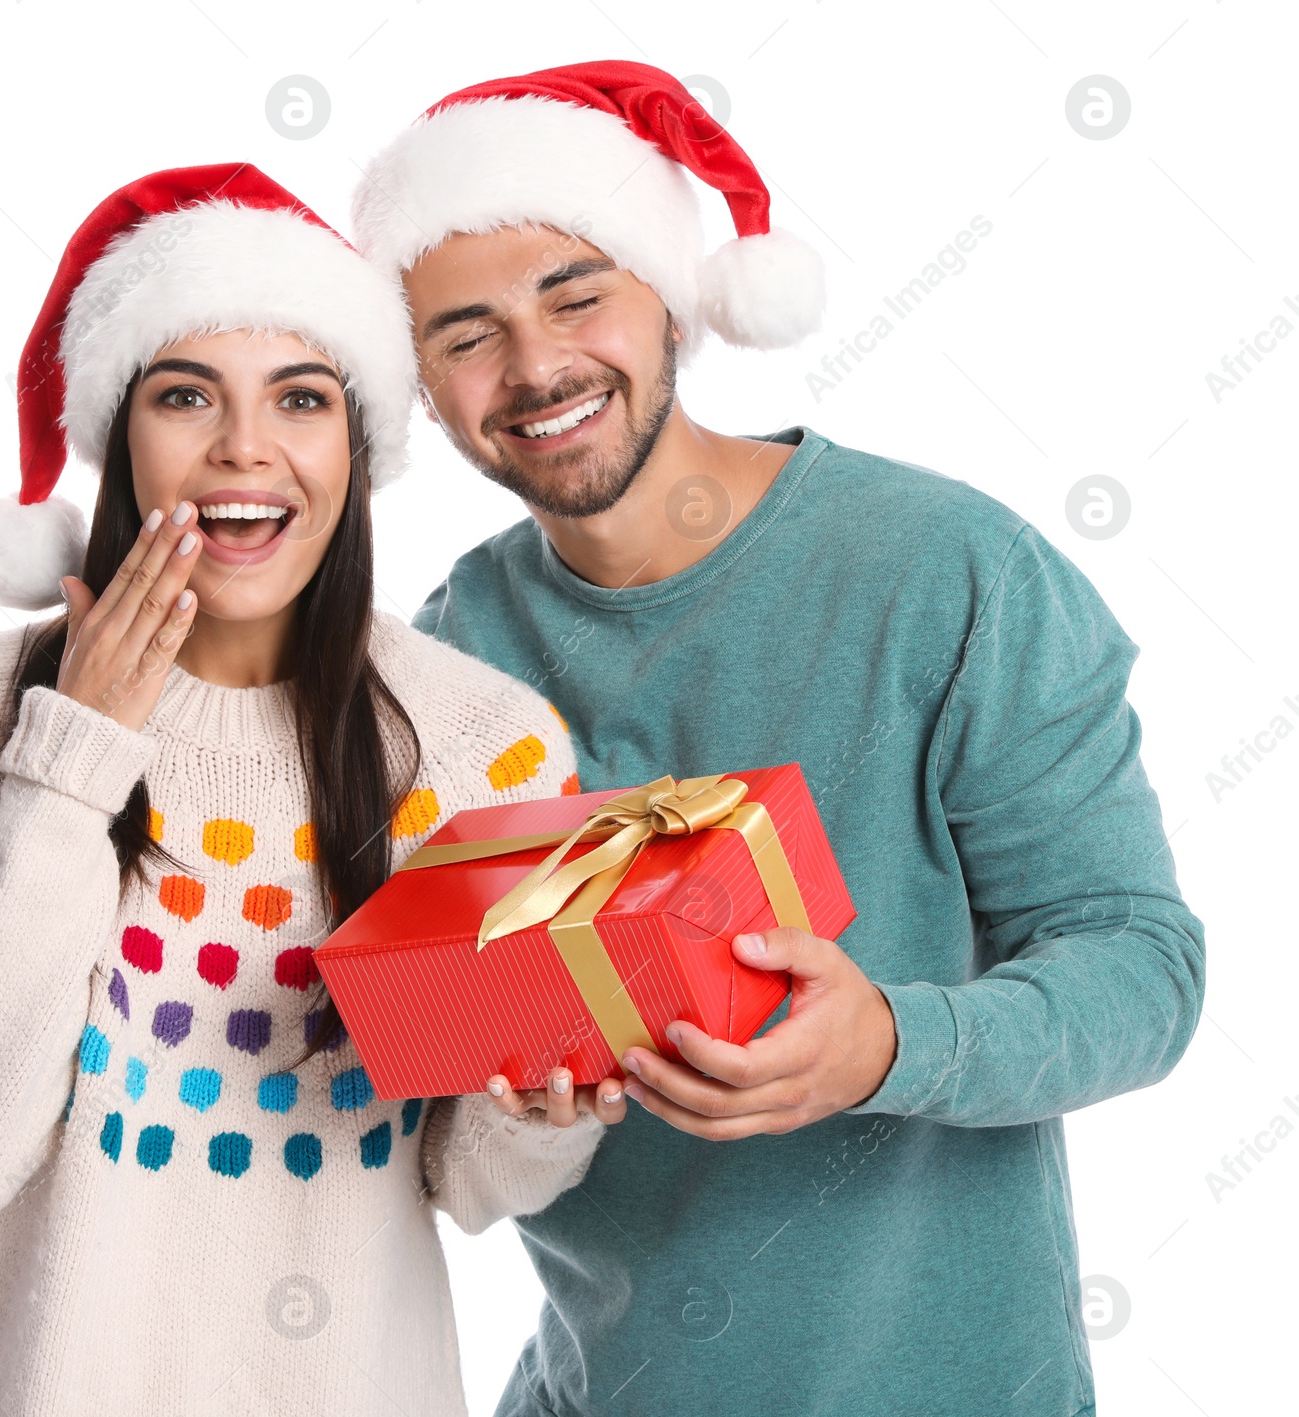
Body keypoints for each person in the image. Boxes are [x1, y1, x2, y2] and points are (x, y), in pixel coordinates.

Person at [347, 61, 1200, 1417]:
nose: (536, 366)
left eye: (577, 294)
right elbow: (398, 1069)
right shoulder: (444, 657)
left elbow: (1142, 969)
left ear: (677, 300)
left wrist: (887, 1046)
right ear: (422, 389)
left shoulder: (949, 571)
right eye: (465, 335)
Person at [0, 162, 619, 1417]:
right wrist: (71, 755)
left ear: (357, 443)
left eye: (301, 397)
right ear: (121, 434)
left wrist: (541, 1108)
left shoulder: (485, 744)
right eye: (185, 394)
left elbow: (470, 1183)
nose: (243, 449)